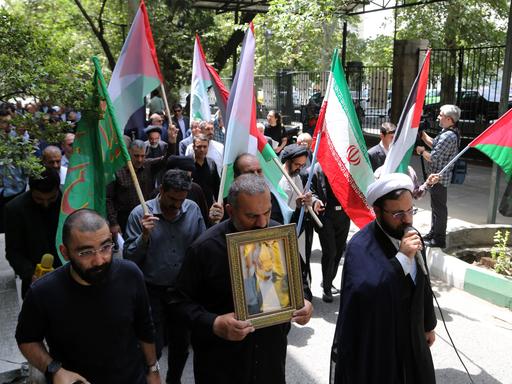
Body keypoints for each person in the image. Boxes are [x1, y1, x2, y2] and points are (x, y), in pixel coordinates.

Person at [172, 174, 313, 384]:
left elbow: (300, 280)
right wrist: (214, 323)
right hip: (222, 366)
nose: (262, 223)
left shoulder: (280, 237)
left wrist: (305, 301)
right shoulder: (205, 249)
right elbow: (177, 302)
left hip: (270, 361)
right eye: (251, 216)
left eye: (266, 212)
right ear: (230, 211)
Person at [15, 209, 161, 384]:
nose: (99, 260)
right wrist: (54, 370)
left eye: (106, 247)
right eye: (86, 252)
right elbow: (27, 339)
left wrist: (153, 370)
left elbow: (145, 326)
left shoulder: (130, 274)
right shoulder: (43, 292)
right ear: (65, 252)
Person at [331, 173, 436, 384]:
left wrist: (428, 324)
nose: (406, 219)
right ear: (377, 211)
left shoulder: (413, 236)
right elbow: (368, 293)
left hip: (413, 338)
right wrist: (402, 260)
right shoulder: (360, 246)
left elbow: (423, 284)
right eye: (397, 214)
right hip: (380, 342)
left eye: (410, 211)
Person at [124, 169, 206, 384]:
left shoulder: (193, 210)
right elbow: (129, 258)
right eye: (172, 199)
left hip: (182, 292)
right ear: (161, 190)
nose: (177, 205)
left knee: (181, 344)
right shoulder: (139, 214)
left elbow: (201, 249)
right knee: (153, 344)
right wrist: (144, 237)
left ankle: (174, 380)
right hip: (152, 290)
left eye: (182, 199)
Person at [5, 169, 63, 298]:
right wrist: (31, 275)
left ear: (58, 189)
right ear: (30, 190)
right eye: (39, 199)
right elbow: (13, 251)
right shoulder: (15, 209)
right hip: (34, 284)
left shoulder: (69, 201)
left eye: (51, 198)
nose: (46, 204)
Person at [106, 137, 174, 238]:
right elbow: (108, 198)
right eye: (136, 156)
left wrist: (172, 142)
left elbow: (166, 159)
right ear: (129, 152)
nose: (140, 160)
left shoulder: (148, 165)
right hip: (124, 217)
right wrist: (113, 223)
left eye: (142, 156)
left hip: (145, 215)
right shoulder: (117, 170)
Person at [415, 104, 461, 248]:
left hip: (439, 178)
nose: (438, 117)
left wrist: (422, 151)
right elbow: (435, 143)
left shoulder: (448, 136)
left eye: (440, 115)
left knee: (439, 209)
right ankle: (433, 233)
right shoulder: (448, 131)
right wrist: (422, 134)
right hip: (436, 178)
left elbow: (433, 157)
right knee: (436, 207)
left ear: (448, 119)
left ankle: (439, 239)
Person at [310, 164, 350, 303]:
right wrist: (315, 201)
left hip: (344, 215)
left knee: (339, 252)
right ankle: (326, 289)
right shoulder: (317, 168)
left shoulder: (347, 167)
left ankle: (328, 280)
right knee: (330, 252)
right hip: (326, 216)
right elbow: (311, 190)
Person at [243, 240, 290, 315]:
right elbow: (249, 263)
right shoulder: (252, 244)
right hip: (266, 302)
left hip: (285, 300)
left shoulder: (281, 239)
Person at [189, 134, 220, 208]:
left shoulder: (211, 163)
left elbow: (216, 187)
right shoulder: (187, 164)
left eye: (205, 147)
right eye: (199, 147)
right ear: (193, 147)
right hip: (192, 205)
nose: (202, 149)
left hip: (208, 205)